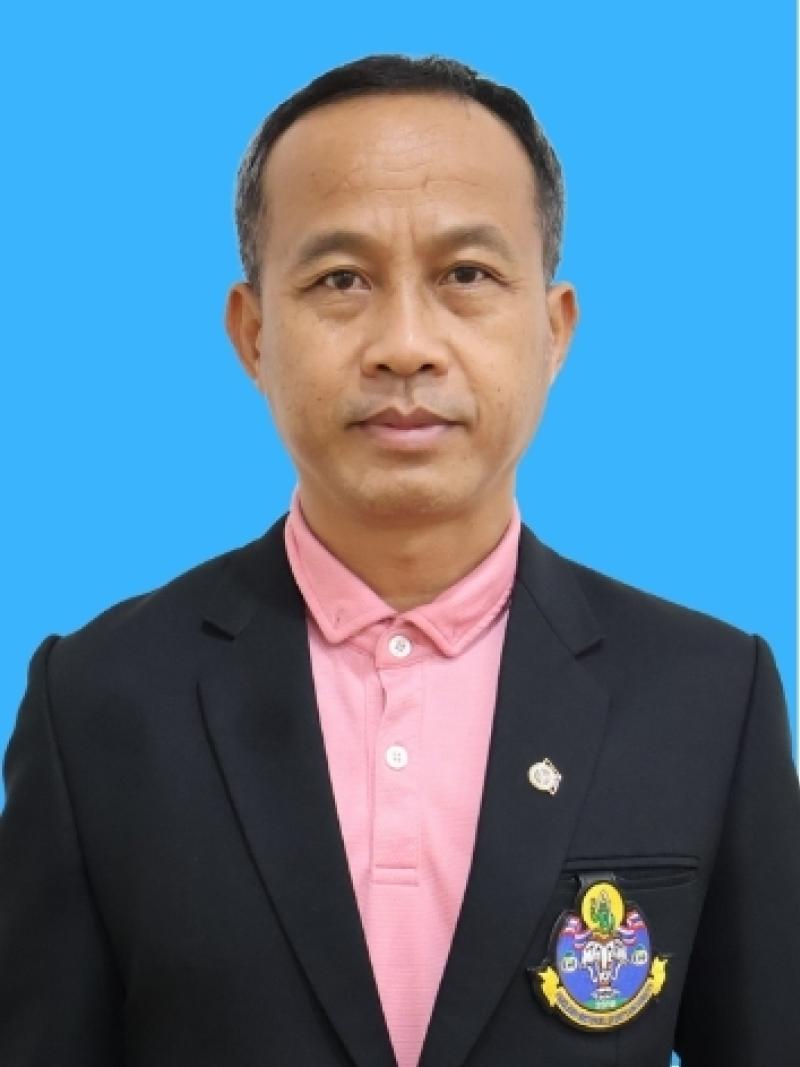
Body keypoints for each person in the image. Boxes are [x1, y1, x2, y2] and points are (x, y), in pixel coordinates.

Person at [0, 53, 798, 1067]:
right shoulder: (97, 700)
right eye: (342, 279)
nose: (405, 345)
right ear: (253, 334)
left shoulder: (708, 695)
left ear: (552, 329)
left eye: (466, 275)